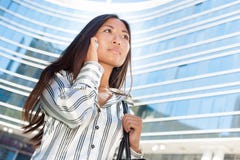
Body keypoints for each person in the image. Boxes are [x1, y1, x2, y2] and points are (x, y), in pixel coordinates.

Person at [22, 14, 143, 160]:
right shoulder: (59, 80)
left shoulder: (123, 107)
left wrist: (134, 147)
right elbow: (75, 114)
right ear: (89, 39)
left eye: (125, 37)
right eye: (108, 31)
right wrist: (92, 64)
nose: (118, 41)